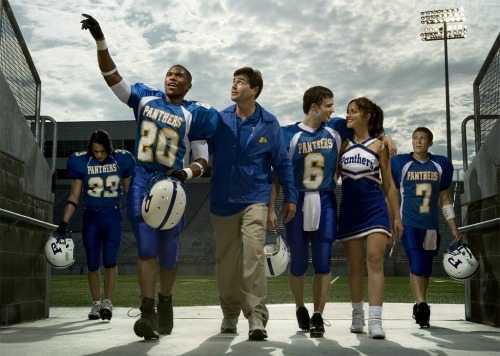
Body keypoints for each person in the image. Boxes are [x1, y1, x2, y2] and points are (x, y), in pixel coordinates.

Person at [81, 14, 219, 339]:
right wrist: (101, 40)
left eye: (179, 75)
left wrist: (185, 172)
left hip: (172, 184)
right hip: (143, 178)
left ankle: (165, 301)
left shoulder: (194, 113)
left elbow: (202, 159)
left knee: (169, 254)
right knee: (146, 249)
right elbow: (111, 76)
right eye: (170, 73)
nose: (172, 77)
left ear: (188, 85)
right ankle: (147, 310)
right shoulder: (145, 97)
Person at [208, 67, 298, 340]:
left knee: (253, 255)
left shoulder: (270, 124)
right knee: (226, 262)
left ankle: (256, 315)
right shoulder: (218, 119)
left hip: (255, 198)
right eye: (233, 81)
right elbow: (198, 145)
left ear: (255, 89)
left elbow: (282, 163)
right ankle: (229, 313)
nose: (234, 85)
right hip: (223, 199)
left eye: (240, 81)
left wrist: (290, 197)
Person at [268, 86, 351, 338]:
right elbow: (277, 177)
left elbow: (369, 123)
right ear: (314, 107)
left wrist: (387, 138)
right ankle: (300, 307)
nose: (332, 110)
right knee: (299, 262)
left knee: (324, 261)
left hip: (325, 200)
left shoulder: (335, 129)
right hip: (296, 200)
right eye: (328, 105)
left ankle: (318, 315)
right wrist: (271, 207)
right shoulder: (288, 134)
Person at [336, 97, 403, 339]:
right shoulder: (342, 145)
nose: (348, 115)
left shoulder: (380, 145)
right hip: (351, 210)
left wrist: (396, 217)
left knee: (374, 261)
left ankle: (376, 319)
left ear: (367, 116)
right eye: (347, 111)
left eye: (353, 111)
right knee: (354, 267)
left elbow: (389, 185)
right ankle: (357, 314)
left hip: (375, 208)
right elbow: (331, 178)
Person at [55, 130, 135, 321]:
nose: (99, 155)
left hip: (113, 215)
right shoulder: (82, 161)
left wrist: (139, 216)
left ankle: (108, 302)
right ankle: (96, 304)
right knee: (92, 263)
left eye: (102, 151)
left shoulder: (121, 160)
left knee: (110, 260)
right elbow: (74, 195)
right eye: (95, 151)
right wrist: (64, 222)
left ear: (109, 148)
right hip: (91, 216)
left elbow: (130, 191)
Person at [391, 127, 461, 328]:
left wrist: (454, 227)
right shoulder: (402, 163)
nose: (418, 141)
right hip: (409, 222)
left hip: (431, 225)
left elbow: (445, 199)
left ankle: (419, 303)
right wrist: (394, 221)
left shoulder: (440, 164)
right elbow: (392, 193)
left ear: (430, 142)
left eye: (422, 138)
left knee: (426, 267)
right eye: (415, 138)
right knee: (417, 263)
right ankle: (422, 305)